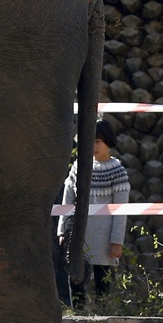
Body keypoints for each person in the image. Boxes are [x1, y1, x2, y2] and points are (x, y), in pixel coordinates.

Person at [59, 118, 129, 309]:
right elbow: (67, 199)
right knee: (76, 280)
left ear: (108, 141)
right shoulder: (78, 167)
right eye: (90, 140)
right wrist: (63, 231)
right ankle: (78, 319)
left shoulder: (117, 171)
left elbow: (121, 210)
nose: (94, 145)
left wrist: (117, 242)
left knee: (103, 284)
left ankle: (102, 322)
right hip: (79, 236)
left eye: (98, 140)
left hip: (104, 239)